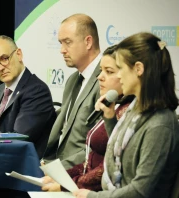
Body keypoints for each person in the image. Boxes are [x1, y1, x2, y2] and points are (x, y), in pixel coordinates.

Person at [73, 32, 179, 198]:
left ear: (138, 69)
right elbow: (120, 152)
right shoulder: (136, 109)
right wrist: (109, 118)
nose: (119, 75)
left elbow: (140, 191)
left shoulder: (160, 123)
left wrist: (91, 196)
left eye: (120, 68)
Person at [41, 45, 134, 192]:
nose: (100, 77)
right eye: (101, 70)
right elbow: (91, 158)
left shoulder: (130, 113)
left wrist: (65, 185)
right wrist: (61, 176)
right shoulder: (113, 106)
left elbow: (110, 166)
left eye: (109, 71)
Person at [0, 35, 57, 158]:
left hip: (17, 164)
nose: (0, 67)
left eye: (4, 59)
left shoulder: (36, 90)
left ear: (19, 54)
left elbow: (18, 139)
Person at [42, 13, 102, 169]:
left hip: (80, 174)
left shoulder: (105, 80)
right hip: (55, 167)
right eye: (60, 43)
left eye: (67, 42)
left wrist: (58, 169)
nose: (62, 50)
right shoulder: (72, 80)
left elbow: (99, 146)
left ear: (88, 42)